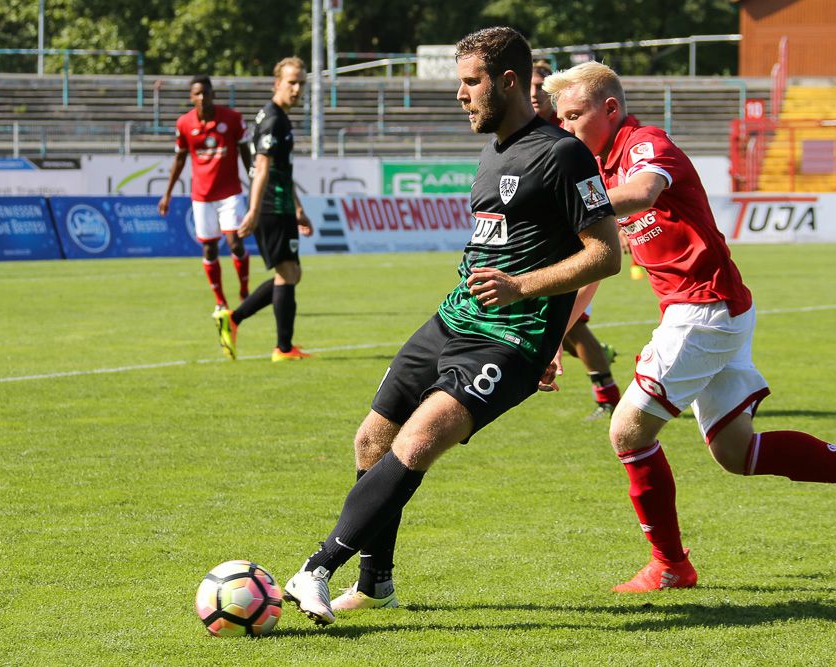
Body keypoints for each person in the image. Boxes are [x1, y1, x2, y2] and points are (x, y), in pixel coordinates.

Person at [545, 61, 836, 592]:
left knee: (628, 430)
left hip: (704, 309)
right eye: (559, 119)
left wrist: (565, 204)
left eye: (572, 116)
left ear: (609, 109)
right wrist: (553, 342)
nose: (565, 128)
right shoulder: (601, 168)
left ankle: (670, 565)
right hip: (712, 310)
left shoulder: (643, 143)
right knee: (736, 453)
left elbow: (645, 192)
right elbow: (598, 266)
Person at [282, 27, 621, 625]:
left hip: (509, 338)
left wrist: (524, 293)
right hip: (454, 319)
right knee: (371, 439)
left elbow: (604, 254)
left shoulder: (564, 153)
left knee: (417, 443)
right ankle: (375, 582)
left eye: (470, 82)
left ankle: (315, 568)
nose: (461, 96)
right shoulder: (491, 150)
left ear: (508, 81)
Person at [532, 58, 622, 421]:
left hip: (579, 237)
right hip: (554, 242)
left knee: (573, 324)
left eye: (540, 85)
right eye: (531, 87)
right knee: (565, 326)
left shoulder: (569, 132)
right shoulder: (535, 132)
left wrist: (604, 217)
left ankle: (608, 395)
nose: (535, 93)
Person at [214, 57, 313, 363]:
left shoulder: (279, 118)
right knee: (287, 272)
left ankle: (236, 320)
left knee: (291, 273)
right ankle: (281, 348)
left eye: (301, 84)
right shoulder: (272, 119)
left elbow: (282, 170)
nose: (297, 89)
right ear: (277, 83)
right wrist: (254, 211)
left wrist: (297, 208)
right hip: (270, 208)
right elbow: (262, 167)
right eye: (291, 82)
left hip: (282, 206)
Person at [158, 75, 251, 313]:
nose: (202, 98)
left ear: (213, 95)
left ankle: (244, 290)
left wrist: (254, 180)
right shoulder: (184, 124)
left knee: (234, 243)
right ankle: (220, 301)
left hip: (230, 193)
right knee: (209, 248)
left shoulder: (232, 119)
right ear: (191, 97)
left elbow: (245, 153)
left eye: (205, 93)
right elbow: (179, 159)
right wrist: (167, 194)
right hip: (202, 196)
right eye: (197, 94)